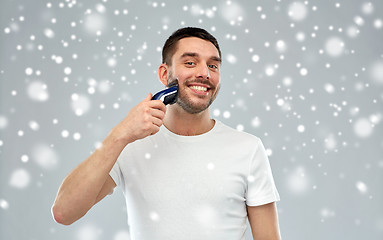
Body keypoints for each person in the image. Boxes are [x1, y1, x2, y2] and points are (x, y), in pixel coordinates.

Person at [52, 27, 281, 240]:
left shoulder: (247, 149)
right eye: (190, 63)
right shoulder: (131, 144)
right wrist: (121, 134)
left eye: (213, 66)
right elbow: (64, 212)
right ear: (164, 74)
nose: (204, 73)